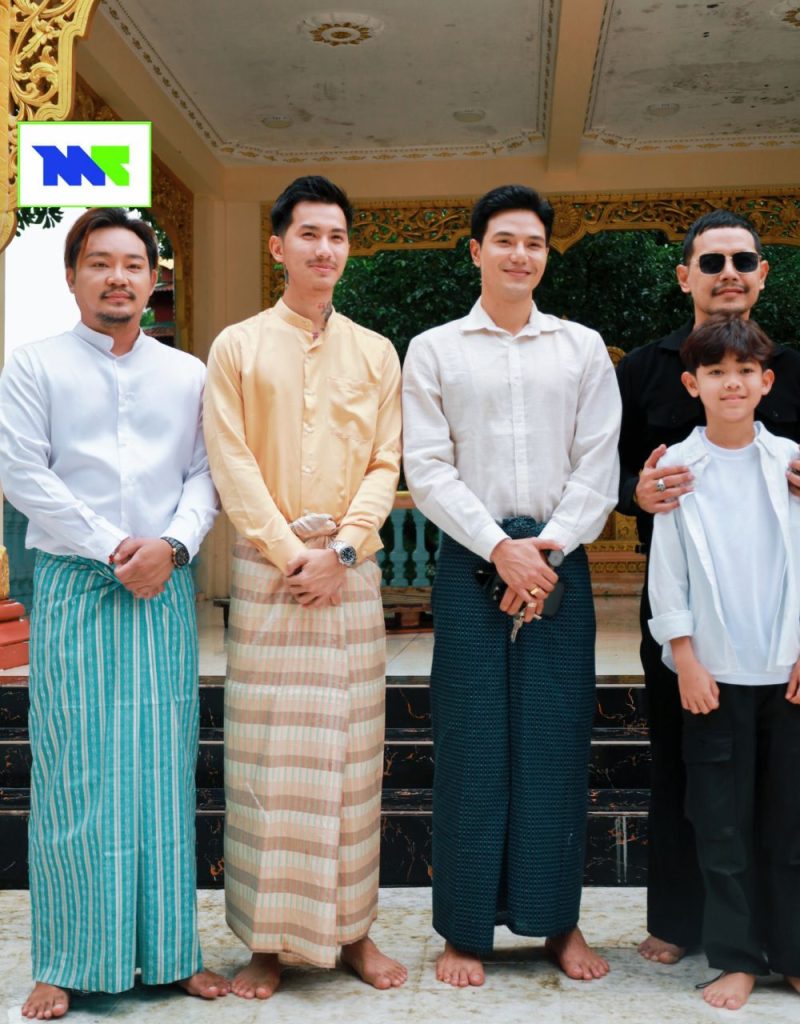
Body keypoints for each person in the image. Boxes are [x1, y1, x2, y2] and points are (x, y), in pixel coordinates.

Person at [0, 208, 225, 1019]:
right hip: (75, 582)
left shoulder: (187, 374)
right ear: (72, 277)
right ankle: (66, 959)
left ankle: (171, 953)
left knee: (162, 769)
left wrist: (173, 544)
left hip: (164, 585)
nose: (118, 277)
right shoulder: (34, 366)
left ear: (153, 278)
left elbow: (207, 473)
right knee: (76, 771)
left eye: (134, 263)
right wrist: (114, 548)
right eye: (100, 263)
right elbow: (23, 472)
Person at [402, 184, 621, 987]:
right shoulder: (434, 349)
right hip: (473, 561)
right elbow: (427, 468)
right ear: (476, 251)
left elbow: (599, 462)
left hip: (559, 563)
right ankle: (464, 931)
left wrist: (545, 552)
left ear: (545, 254)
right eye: (504, 240)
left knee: (556, 744)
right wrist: (501, 549)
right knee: (470, 745)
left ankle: (556, 922)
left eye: (533, 242)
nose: (519, 254)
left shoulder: (581, 348)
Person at [203, 175, 406, 999]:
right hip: (270, 576)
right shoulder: (237, 347)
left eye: (337, 236)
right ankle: (266, 942)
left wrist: (344, 552)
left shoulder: (376, 352)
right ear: (277, 245)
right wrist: (293, 554)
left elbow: (386, 463)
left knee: (354, 762)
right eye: (310, 234)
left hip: (349, 580)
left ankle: (354, 932)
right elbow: (231, 461)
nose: (325, 249)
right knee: (266, 764)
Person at [616, 209, 800, 966]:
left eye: (743, 260)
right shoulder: (645, 368)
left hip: (780, 619)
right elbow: (609, 470)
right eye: (712, 261)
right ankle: (681, 919)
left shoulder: (788, 364)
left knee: (781, 785)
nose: (729, 273)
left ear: (762, 274)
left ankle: (778, 936)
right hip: (685, 602)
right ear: (684, 275)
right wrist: (638, 492)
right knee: (683, 761)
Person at [648, 314, 800, 1011]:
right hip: (714, 676)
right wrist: (685, 657)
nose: (731, 383)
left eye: (744, 371)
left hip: (786, 674)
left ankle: (791, 953)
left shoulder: (791, 462)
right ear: (693, 384)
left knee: (790, 822)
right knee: (721, 825)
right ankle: (736, 958)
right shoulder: (679, 469)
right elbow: (668, 573)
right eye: (716, 372)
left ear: (766, 382)